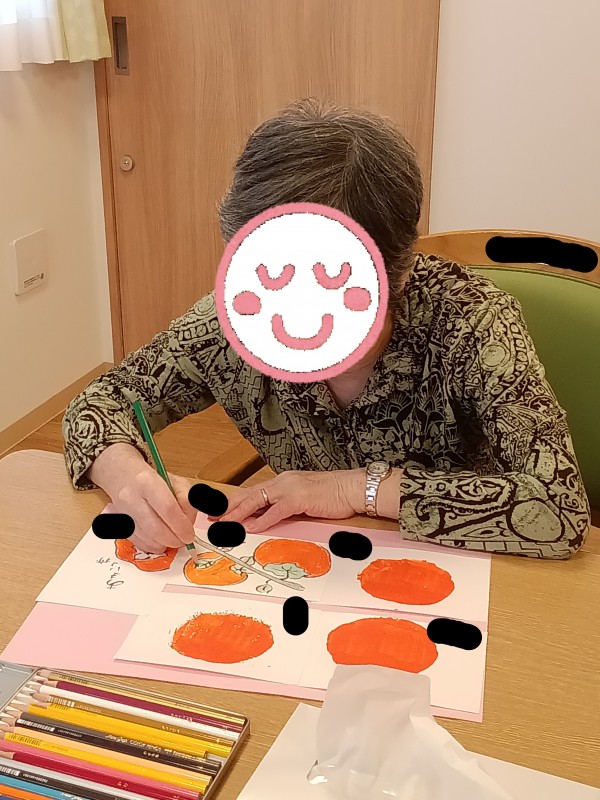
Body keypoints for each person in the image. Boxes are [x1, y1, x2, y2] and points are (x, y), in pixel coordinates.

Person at [63, 99, 590, 560]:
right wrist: (127, 476)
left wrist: (355, 489)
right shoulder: (231, 327)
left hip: (461, 575)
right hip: (310, 573)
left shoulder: (473, 323)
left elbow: (560, 509)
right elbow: (100, 402)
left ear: (399, 270)